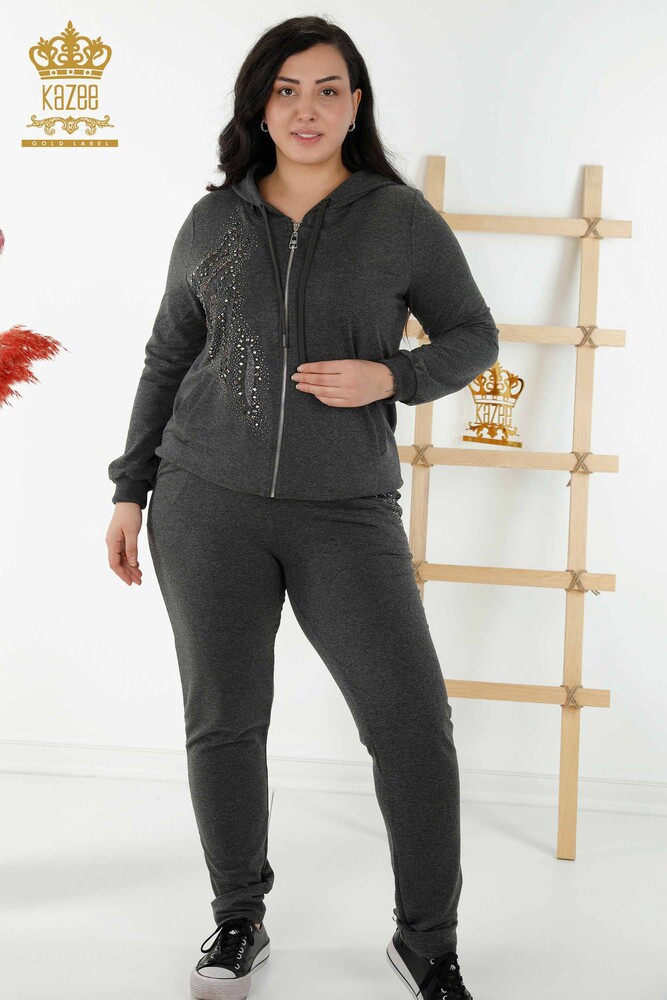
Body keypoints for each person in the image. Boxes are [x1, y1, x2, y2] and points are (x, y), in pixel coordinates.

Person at [105, 15, 498, 1000]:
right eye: (286, 90)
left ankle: (427, 940)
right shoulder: (213, 222)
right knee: (225, 720)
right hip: (204, 502)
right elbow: (166, 355)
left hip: (345, 510)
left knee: (411, 723)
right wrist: (129, 488)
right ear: (260, 105)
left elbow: (472, 334)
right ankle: (236, 918)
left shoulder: (397, 219)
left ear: (355, 104)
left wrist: (390, 376)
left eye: (327, 89)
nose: (306, 109)